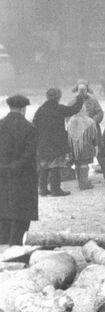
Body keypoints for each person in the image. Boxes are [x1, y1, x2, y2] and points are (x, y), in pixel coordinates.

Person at [33, 87, 85, 197]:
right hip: (56, 142)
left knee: (44, 166)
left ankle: (42, 189)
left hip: (42, 142)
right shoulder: (59, 108)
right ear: (58, 97)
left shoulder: (40, 109)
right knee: (55, 165)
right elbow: (74, 109)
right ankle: (55, 189)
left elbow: (34, 124)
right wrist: (80, 98)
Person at [0, 95, 38, 245]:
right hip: (23, 175)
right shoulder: (29, 128)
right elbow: (29, 154)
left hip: (1, 174)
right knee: (22, 209)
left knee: (3, 204)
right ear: (23, 109)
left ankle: (2, 239)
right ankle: (16, 242)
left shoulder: (0, 125)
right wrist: (14, 167)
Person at [67, 104, 99, 190]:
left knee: (78, 163)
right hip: (86, 147)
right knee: (84, 164)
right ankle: (84, 183)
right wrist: (96, 146)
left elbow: (69, 136)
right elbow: (94, 136)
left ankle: (80, 182)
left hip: (74, 147)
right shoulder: (90, 121)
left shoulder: (71, 121)